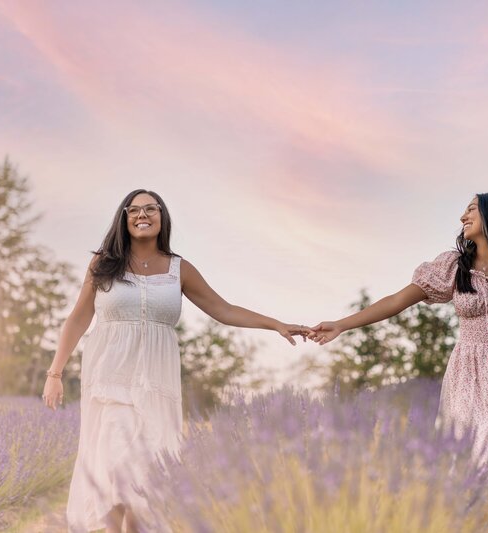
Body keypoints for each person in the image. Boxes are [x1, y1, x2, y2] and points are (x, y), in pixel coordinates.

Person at [42, 189, 310, 533]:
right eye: (134, 210)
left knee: (146, 478)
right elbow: (78, 318)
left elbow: (223, 309)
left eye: (150, 209)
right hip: (111, 384)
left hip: (157, 390)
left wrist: (275, 324)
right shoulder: (103, 264)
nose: (142, 215)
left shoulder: (178, 269)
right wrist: (55, 372)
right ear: (124, 219)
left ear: (161, 216)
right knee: (115, 468)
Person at [308, 193, 488, 515]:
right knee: (472, 466)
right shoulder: (454, 266)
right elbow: (396, 301)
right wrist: (342, 325)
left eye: (471, 210)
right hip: (468, 372)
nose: (462, 217)